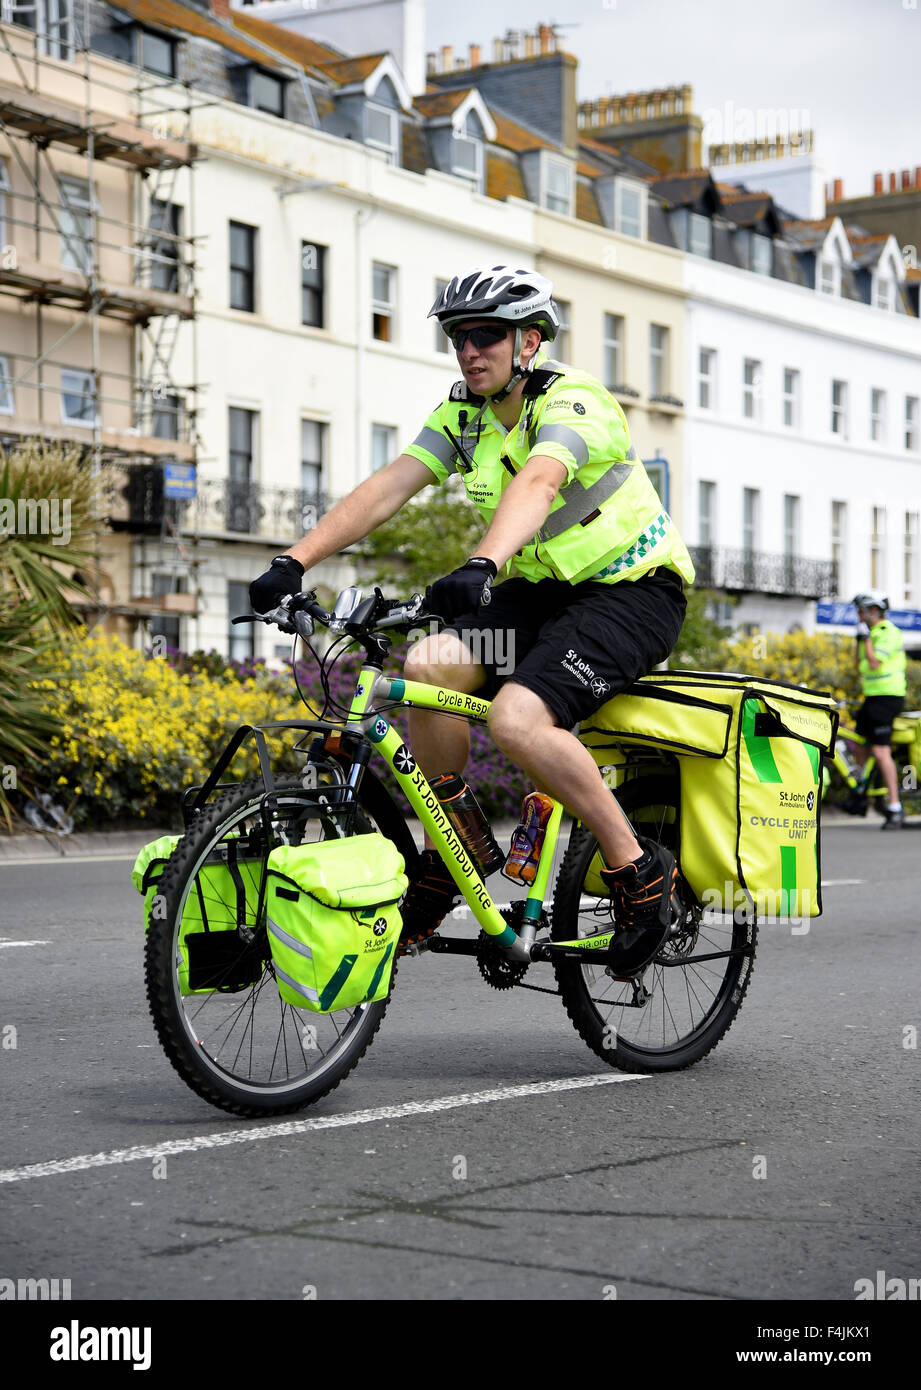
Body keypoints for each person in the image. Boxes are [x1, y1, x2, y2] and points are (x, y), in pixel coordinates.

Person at [249, 265, 695, 974]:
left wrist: (483, 564)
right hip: (542, 592)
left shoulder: (573, 400)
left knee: (518, 720)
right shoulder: (463, 416)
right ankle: (452, 846)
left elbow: (539, 480)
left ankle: (639, 872)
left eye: (485, 335)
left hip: (631, 592)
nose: (468, 351)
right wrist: (293, 561)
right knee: (427, 665)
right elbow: (389, 485)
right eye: (458, 337)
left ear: (529, 341)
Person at [851, 591, 906, 829]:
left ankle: (895, 806)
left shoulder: (888, 632)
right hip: (872, 697)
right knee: (860, 745)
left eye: (862, 611)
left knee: (881, 751)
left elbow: (873, 663)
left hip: (888, 698)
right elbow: (857, 665)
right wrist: (859, 640)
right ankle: (861, 793)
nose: (859, 615)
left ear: (874, 611)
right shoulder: (871, 634)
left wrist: (865, 641)